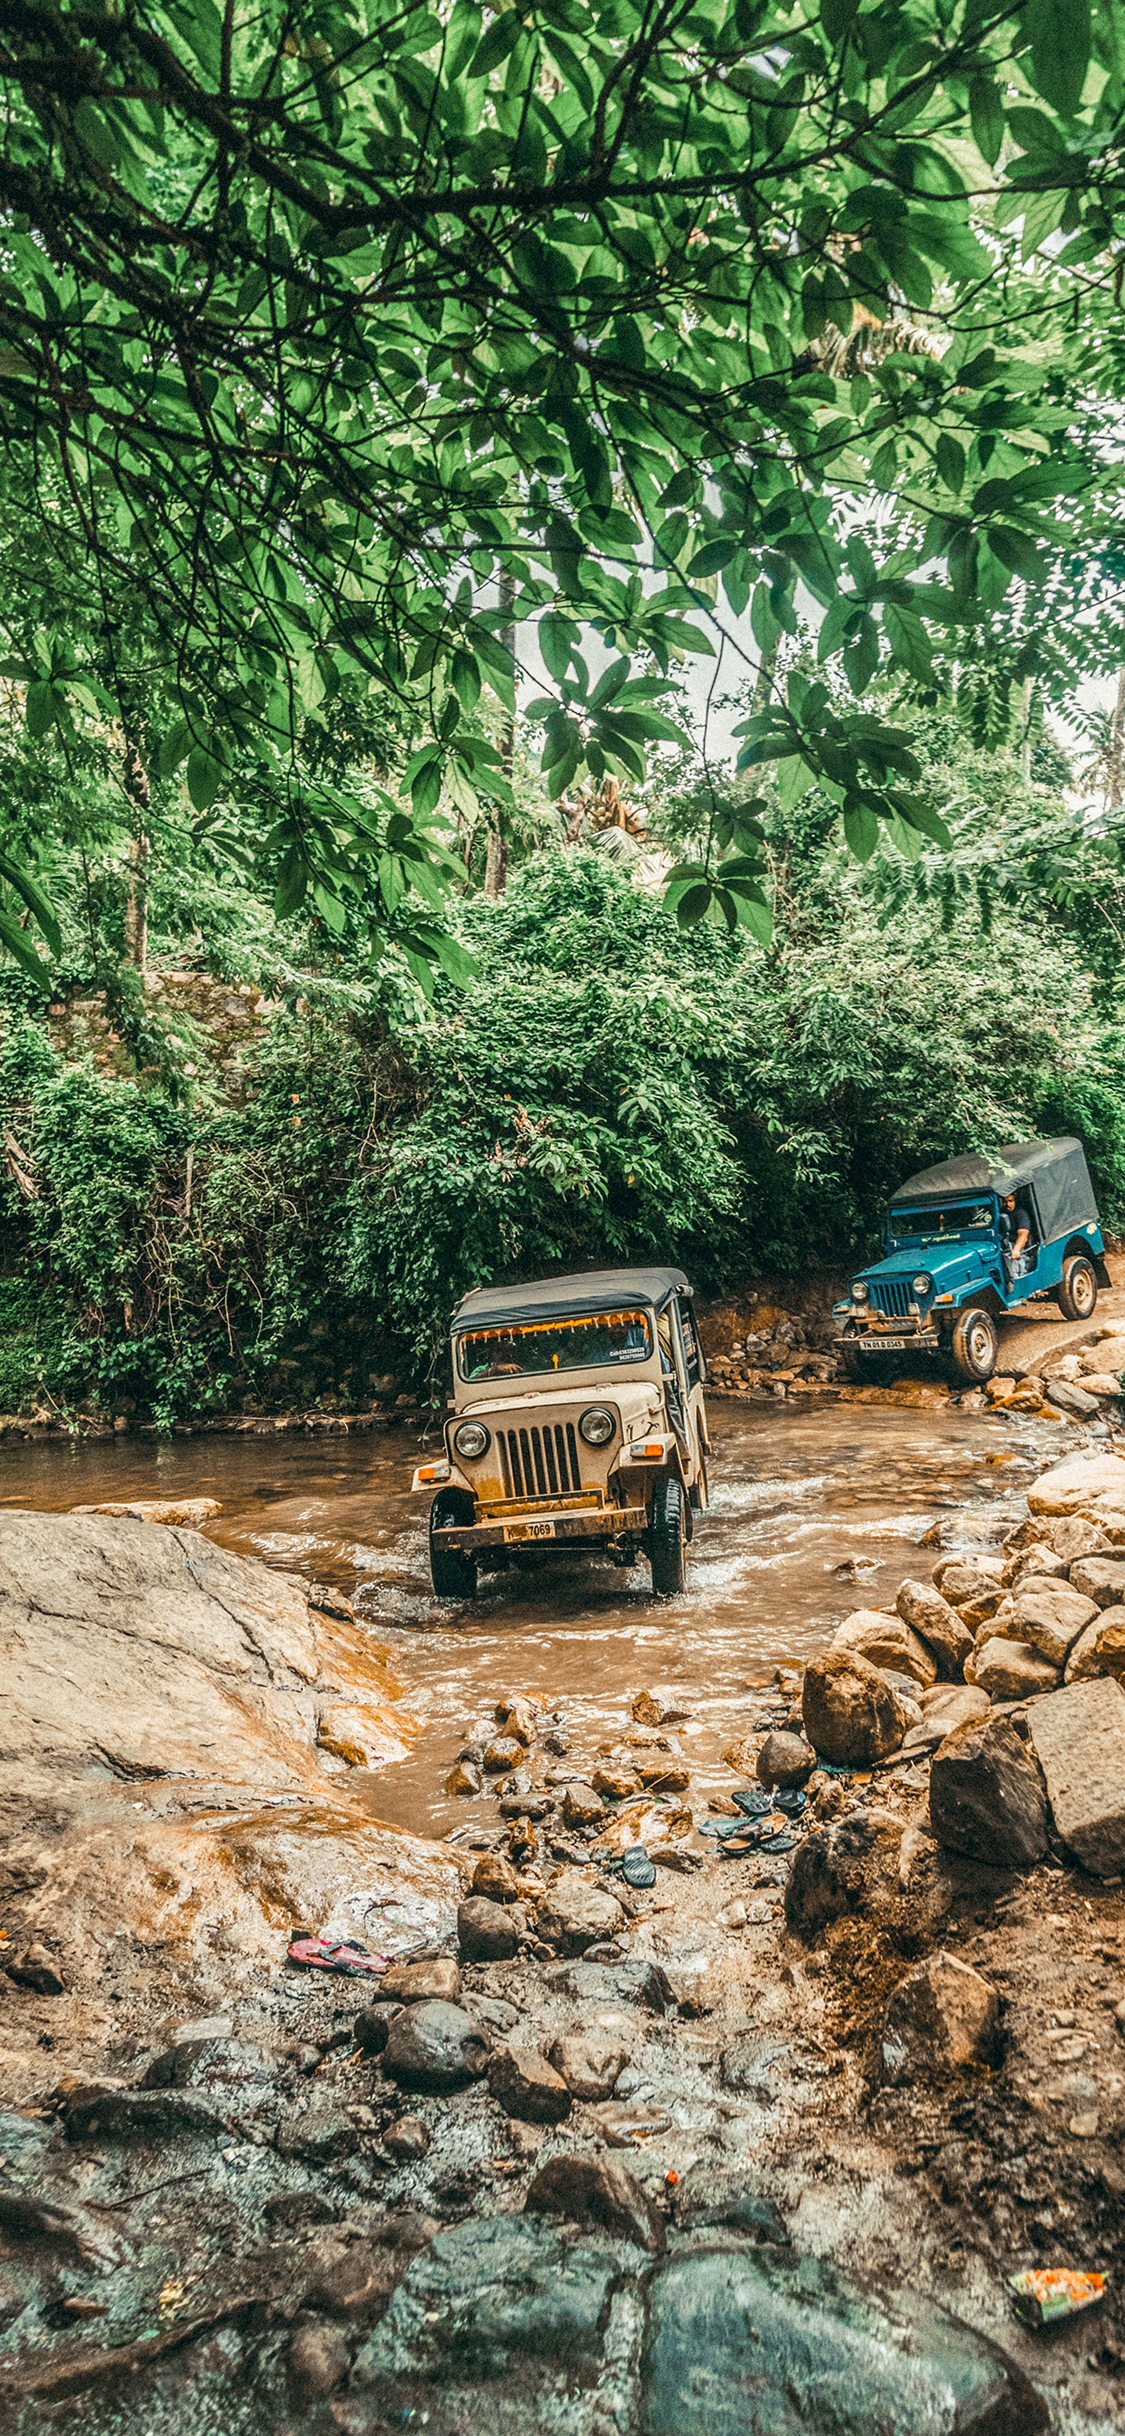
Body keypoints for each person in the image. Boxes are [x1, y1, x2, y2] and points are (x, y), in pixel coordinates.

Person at [999, 1192, 1034, 1288]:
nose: (1008, 1204)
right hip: (1003, 1244)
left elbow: (1023, 1234)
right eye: (1005, 1201)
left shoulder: (1021, 1214)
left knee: (1014, 1263)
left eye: (1010, 1201)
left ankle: (1018, 1286)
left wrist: (1016, 1249)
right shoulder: (999, 1214)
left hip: (1018, 1247)